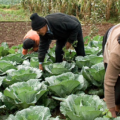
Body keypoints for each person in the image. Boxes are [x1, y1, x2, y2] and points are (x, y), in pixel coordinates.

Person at [102, 24, 120, 118]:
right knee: (117, 92)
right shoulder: (117, 53)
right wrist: (112, 111)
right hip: (110, 36)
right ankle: (116, 106)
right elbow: (109, 82)